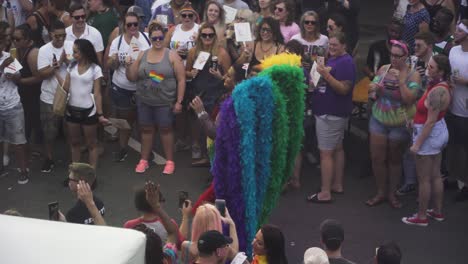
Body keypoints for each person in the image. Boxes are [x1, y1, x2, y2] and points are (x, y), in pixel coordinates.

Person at [367, 40, 422, 208]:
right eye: (392, 54)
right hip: (379, 118)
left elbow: (409, 99)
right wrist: (373, 89)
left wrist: (401, 81)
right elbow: (372, 90)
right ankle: (380, 192)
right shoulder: (384, 69)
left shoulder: (413, 75)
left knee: (394, 158)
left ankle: (392, 193)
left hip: (399, 121)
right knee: (377, 157)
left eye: (398, 56)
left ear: (406, 57)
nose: (394, 59)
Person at [126, 22, 186, 175]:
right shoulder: (142, 54)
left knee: (166, 130)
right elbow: (132, 77)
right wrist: (129, 65)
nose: (158, 41)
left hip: (164, 102)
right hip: (144, 100)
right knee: (146, 130)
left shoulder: (171, 55)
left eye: (160, 38)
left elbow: (181, 79)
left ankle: (170, 161)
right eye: (154, 38)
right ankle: (144, 159)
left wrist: (179, 102)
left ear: (163, 37)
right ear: (150, 39)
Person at [401, 54, 451, 227]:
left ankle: (421, 216)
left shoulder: (438, 91)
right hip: (437, 132)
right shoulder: (439, 86)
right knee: (436, 174)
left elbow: (430, 121)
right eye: (428, 66)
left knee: (424, 179)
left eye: (432, 68)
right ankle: (437, 211)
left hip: (430, 135)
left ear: (442, 71)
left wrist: (417, 144)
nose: (428, 70)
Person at [306, 32, 356, 203]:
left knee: (325, 154)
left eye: (335, 45)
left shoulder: (346, 62)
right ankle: (337, 184)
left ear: (344, 46)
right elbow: (314, 83)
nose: (331, 48)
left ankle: (325, 192)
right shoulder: (331, 59)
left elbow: (344, 89)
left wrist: (326, 75)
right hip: (328, 112)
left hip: (331, 114)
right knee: (337, 148)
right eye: (330, 45)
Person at [108, 11, 151, 162]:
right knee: (124, 122)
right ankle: (123, 148)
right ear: (124, 26)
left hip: (142, 88)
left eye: (135, 24)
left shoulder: (146, 39)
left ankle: (146, 152)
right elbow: (109, 64)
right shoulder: (117, 42)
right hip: (121, 87)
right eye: (129, 25)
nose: (133, 27)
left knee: (143, 122)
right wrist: (118, 61)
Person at [397, 31, 436, 196]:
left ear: (429, 46)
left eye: (419, 45)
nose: (415, 48)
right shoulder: (413, 61)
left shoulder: (435, 64)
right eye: (415, 44)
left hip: (430, 112)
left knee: (427, 152)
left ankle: (427, 186)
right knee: (409, 148)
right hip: (413, 109)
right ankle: (410, 181)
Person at [186, 23, 231, 163]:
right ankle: (196, 146)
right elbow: (185, 72)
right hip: (198, 92)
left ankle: (210, 156)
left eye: (210, 35)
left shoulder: (221, 53)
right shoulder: (193, 51)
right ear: (200, 36)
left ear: (214, 36)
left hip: (215, 94)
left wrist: (220, 76)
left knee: (211, 126)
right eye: (204, 35)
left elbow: (230, 78)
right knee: (196, 122)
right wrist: (191, 72)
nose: (207, 37)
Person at [63, 39, 109, 169]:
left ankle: (91, 173)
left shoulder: (95, 69)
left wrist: (100, 114)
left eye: (76, 52)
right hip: (71, 109)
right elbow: (65, 88)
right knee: (75, 143)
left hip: (89, 111)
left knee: (91, 144)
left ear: (84, 52)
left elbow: (97, 93)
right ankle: (75, 172)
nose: (73, 55)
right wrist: (55, 71)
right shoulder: (71, 66)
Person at [37, 20, 73, 173]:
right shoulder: (44, 50)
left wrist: (69, 60)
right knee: (49, 132)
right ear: (51, 34)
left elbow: (79, 63)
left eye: (63, 35)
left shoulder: (71, 45)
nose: (61, 39)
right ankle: (49, 158)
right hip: (50, 97)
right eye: (57, 36)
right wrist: (58, 64)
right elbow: (42, 73)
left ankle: (73, 160)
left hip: (70, 96)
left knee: (70, 131)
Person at [0, 23, 29, 184]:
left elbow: (18, 78)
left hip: (13, 104)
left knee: (18, 141)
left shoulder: (9, 57)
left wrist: (13, 75)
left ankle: (23, 170)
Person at [446, 20, 468, 202]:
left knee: (464, 149)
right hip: (451, 106)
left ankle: (465, 184)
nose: (456, 32)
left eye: (460, 30)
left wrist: (465, 82)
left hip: (465, 110)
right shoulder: (453, 51)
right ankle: (455, 177)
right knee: (453, 146)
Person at [13, 24, 42, 158]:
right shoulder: (17, 50)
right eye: (13, 38)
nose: (14, 41)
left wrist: (20, 81)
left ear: (26, 39)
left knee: (32, 122)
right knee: (25, 123)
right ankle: (28, 149)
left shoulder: (32, 53)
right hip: (22, 94)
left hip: (33, 95)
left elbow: (38, 78)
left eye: (18, 39)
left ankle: (36, 150)